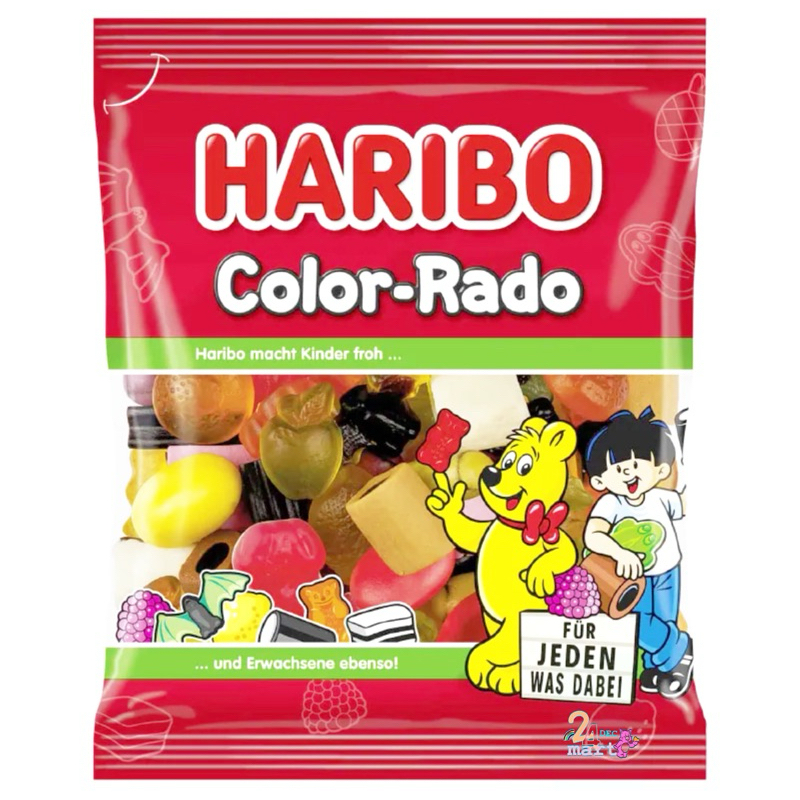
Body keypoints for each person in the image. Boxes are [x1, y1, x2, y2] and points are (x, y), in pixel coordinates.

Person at [582, 407, 693, 698]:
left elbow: (686, 502)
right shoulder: (610, 504)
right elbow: (593, 535)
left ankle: (658, 669)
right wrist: (619, 553)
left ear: (660, 468)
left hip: (668, 570)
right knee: (635, 623)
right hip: (629, 579)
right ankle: (679, 650)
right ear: (600, 480)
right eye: (617, 468)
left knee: (665, 621)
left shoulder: (661, 497)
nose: (628, 472)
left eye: (635, 463)